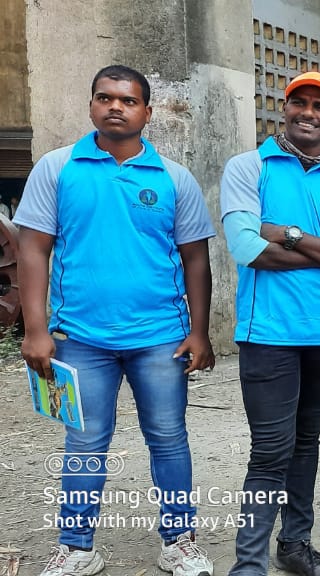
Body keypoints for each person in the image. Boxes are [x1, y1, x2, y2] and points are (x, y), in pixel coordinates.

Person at [17, 64, 216, 576]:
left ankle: (179, 542)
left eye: (128, 101)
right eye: (105, 98)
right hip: (80, 337)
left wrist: (199, 332)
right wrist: (36, 330)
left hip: (160, 337)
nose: (115, 107)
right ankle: (77, 547)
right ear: (91, 105)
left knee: (168, 437)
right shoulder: (57, 168)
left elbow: (196, 259)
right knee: (84, 441)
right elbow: (33, 249)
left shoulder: (174, 178)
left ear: (147, 112)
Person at [219, 71, 320, 576]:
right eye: (299, 102)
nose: (309, 113)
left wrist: (287, 234)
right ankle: (249, 562)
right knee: (270, 450)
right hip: (269, 333)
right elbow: (247, 248)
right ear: (283, 108)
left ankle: (295, 545)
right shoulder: (249, 168)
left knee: (306, 440)